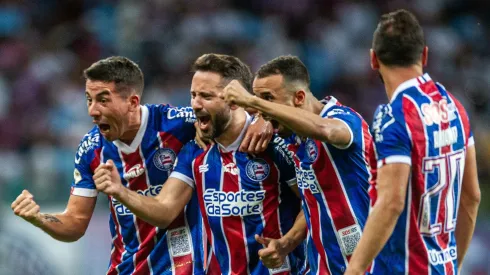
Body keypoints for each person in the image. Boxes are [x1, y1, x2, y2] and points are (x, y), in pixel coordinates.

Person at [10, 56, 272, 275]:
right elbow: (75, 223)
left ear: (133, 102)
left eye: (103, 100)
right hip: (128, 267)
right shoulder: (91, 149)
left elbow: (227, 112)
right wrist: (39, 218)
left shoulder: (175, 124)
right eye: (88, 99)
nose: (92, 110)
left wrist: (264, 118)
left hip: (185, 266)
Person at [92, 53, 308, 274]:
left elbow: (313, 201)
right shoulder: (194, 151)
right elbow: (165, 210)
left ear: (234, 101)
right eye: (193, 95)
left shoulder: (273, 143)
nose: (195, 104)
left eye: (206, 96)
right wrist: (120, 191)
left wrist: (287, 243)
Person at [344, 9, 481, 275]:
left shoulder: (393, 117)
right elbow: (472, 196)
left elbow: (391, 203)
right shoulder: (456, 108)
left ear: (373, 60)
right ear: (425, 55)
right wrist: (454, 265)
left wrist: (355, 269)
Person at [222, 55, 375, 274]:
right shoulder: (293, 138)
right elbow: (315, 200)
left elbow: (327, 130)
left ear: (299, 97)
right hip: (324, 265)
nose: (260, 108)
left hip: (370, 263)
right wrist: (287, 243)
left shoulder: (344, 118)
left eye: (268, 98)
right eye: (259, 98)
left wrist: (253, 102)